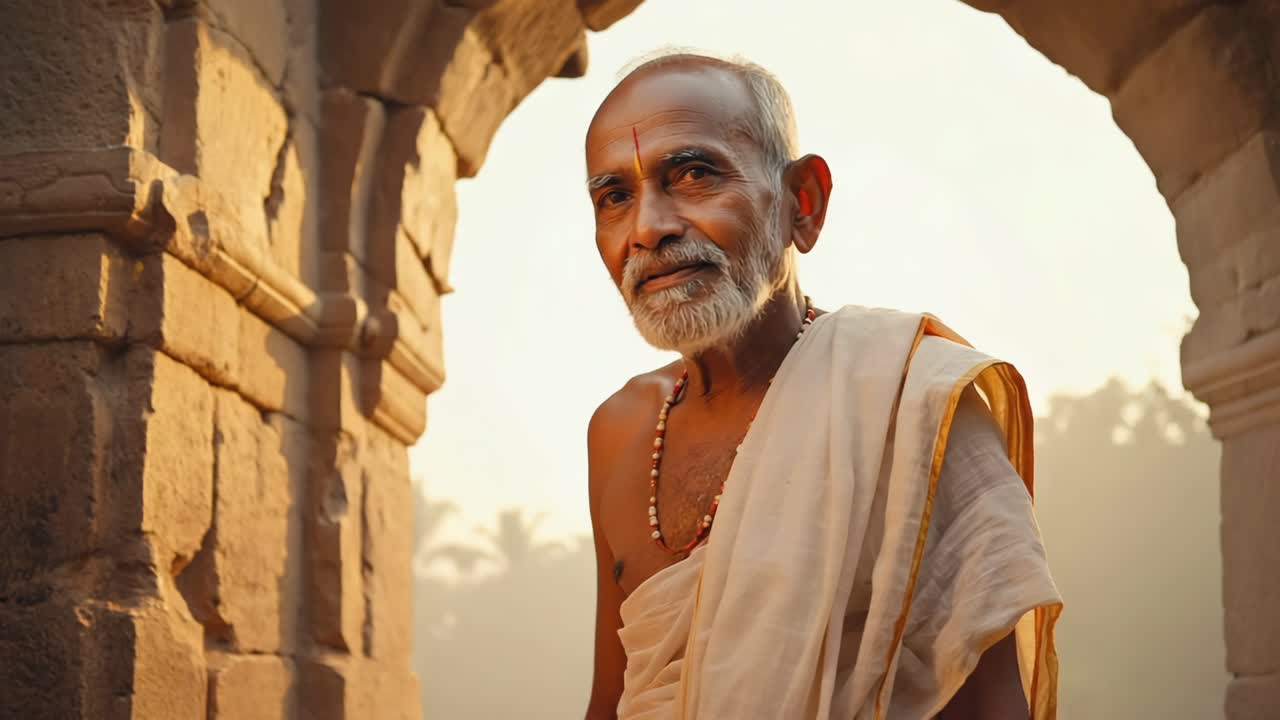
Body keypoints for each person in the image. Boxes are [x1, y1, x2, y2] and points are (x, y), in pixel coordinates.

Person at [582, 50, 1061, 720]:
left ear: (801, 204)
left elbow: (988, 705)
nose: (648, 228)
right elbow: (612, 701)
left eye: (693, 173)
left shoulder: (912, 404)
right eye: (614, 197)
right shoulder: (618, 430)